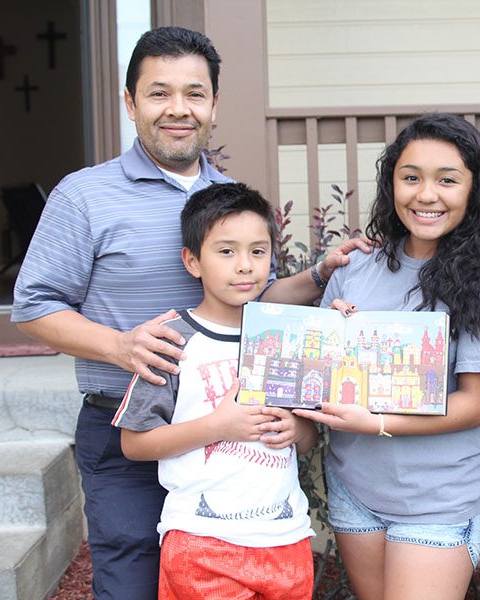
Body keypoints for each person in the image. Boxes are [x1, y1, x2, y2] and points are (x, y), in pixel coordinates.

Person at [11, 26, 368, 600]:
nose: (178, 109)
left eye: (194, 93)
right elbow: (33, 309)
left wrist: (318, 277)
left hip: (232, 438)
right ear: (131, 103)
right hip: (127, 425)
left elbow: (257, 303)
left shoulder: (229, 197)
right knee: (130, 582)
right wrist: (118, 346)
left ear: (214, 104)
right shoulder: (83, 195)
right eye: (159, 93)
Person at [291, 113, 480, 600]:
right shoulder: (356, 269)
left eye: (447, 179)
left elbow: (477, 405)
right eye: (411, 177)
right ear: (391, 182)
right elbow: (320, 374)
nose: (425, 194)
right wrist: (331, 336)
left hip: (438, 495)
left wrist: (372, 421)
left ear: (474, 189)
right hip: (356, 485)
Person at [112, 182, 317, 599]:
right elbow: (134, 443)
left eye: (258, 251)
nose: (245, 266)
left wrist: (297, 429)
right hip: (202, 540)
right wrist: (220, 425)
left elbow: (310, 437)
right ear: (193, 261)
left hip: (286, 537)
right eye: (226, 252)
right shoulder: (169, 341)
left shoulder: (286, 334)